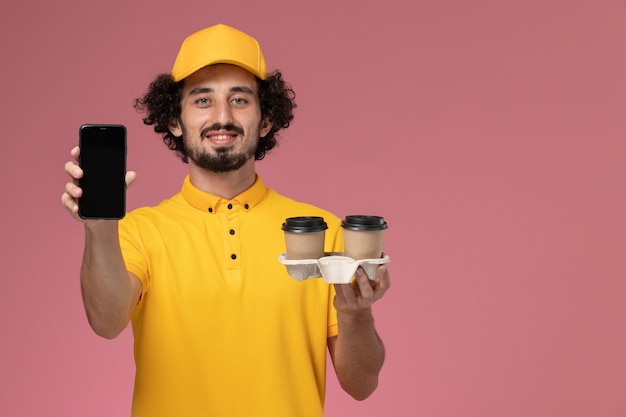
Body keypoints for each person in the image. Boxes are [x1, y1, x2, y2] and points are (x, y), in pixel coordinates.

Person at [62, 23, 390, 417]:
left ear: (265, 120)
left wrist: (355, 313)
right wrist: (100, 229)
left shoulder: (321, 231)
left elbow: (361, 384)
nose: (222, 116)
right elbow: (105, 322)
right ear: (174, 121)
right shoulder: (137, 231)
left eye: (239, 99)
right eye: (202, 100)